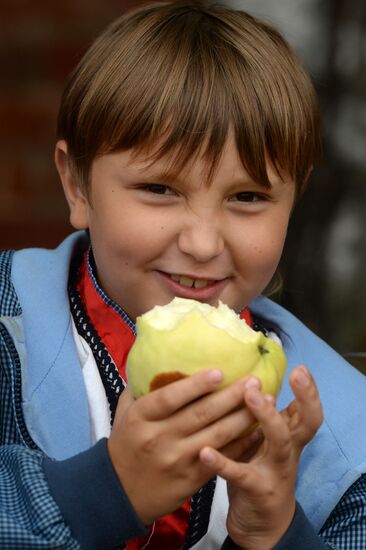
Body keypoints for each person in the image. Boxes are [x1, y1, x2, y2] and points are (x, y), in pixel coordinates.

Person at [1, 1, 366, 548]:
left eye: (248, 197)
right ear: (77, 185)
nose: (201, 244)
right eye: (159, 189)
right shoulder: (11, 330)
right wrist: (105, 491)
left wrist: (277, 532)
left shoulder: (343, 430)